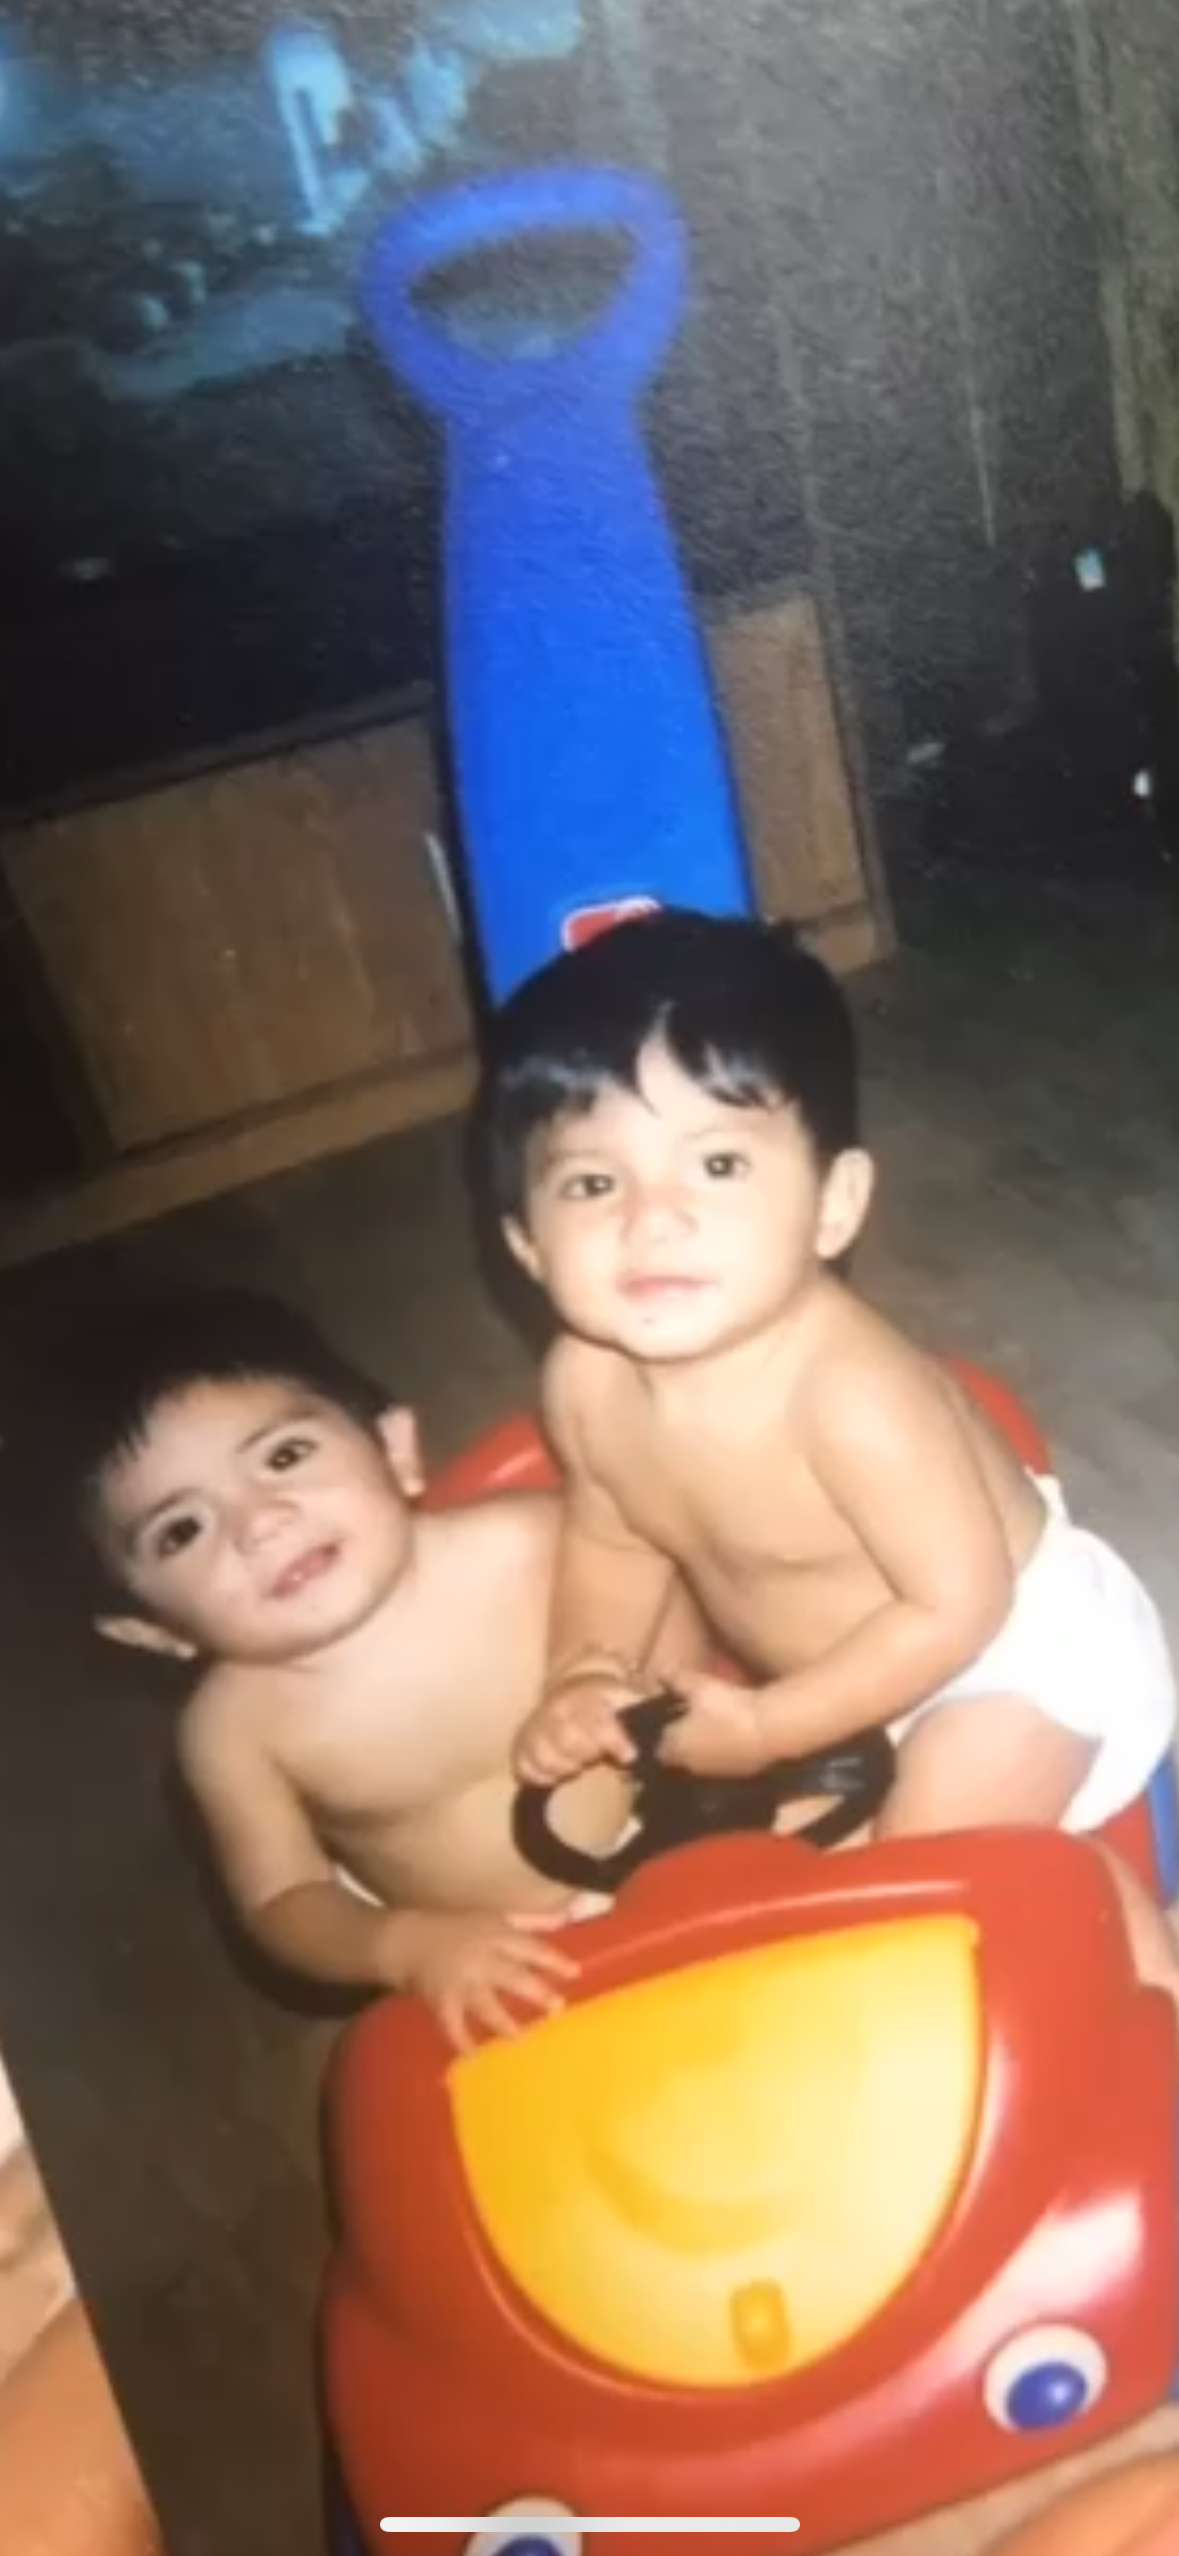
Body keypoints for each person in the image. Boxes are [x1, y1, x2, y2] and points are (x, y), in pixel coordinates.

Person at [482, 906, 1179, 2000]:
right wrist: (583, 1670)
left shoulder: (849, 1393)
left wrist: (770, 1725)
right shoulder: (583, 1382)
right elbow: (612, 1540)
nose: (652, 1220)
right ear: (527, 1242)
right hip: (837, 1691)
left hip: (1012, 1662)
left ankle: (1124, 1928)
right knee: (753, 1884)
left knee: (917, 1871)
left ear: (833, 1206)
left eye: (717, 1163)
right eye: (591, 1183)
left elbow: (960, 1608)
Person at [55, 1287, 652, 2050]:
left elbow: (661, 1591)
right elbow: (282, 1899)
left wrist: (612, 1681)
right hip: (486, 1947)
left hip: (678, 1828)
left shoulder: (531, 1544)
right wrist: (403, 1947)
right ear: (154, 1630)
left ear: (394, 1449)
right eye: (182, 1531)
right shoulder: (233, 1733)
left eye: (283, 1457)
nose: (260, 1523)